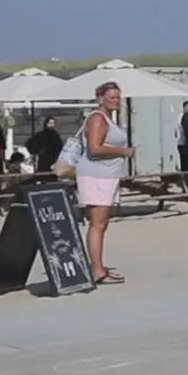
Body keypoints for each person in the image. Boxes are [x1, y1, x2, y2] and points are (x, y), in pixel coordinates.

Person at [76, 82, 133, 286]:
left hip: (107, 175)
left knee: (102, 223)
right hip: (96, 176)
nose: (116, 100)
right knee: (97, 224)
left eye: (118, 97)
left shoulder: (109, 118)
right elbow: (94, 148)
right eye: (111, 97)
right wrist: (123, 152)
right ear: (100, 98)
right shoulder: (97, 118)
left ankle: (99, 267)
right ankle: (97, 270)